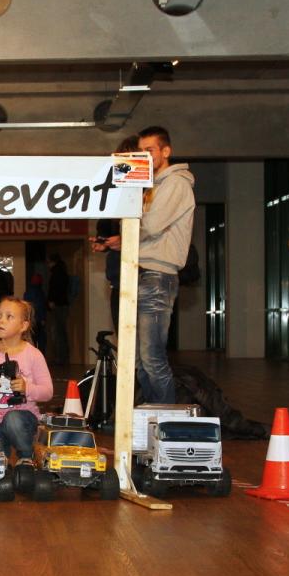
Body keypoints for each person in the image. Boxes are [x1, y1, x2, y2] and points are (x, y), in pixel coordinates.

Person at [133, 125, 195, 404]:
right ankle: (150, 415)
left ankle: (164, 416)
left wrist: (128, 231)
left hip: (158, 275)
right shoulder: (151, 186)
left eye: (150, 150)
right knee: (139, 360)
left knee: (152, 358)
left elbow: (152, 225)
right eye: (140, 151)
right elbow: (147, 227)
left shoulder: (176, 183)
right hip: (143, 272)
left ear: (166, 151)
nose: (144, 156)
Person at [0, 298, 54, 464]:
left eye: (9, 316)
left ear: (23, 326)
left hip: (23, 420)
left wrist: (27, 388)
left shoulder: (34, 355)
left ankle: (26, 455)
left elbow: (47, 392)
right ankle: (2, 461)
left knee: (13, 419)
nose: (1, 320)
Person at [92, 134, 138, 328]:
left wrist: (126, 241)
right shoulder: (117, 195)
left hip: (143, 280)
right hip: (119, 279)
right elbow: (106, 226)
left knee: (145, 342)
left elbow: (155, 232)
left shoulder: (150, 195)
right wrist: (105, 242)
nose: (123, 167)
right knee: (124, 335)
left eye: (128, 159)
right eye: (120, 161)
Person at [46, 253, 71, 365]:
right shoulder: (62, 271)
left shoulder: (56, 273)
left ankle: (60, 358)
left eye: (48, 262)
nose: (47, 264)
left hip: (58, 305)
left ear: (52, 261)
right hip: (63, 304)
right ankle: (63, 357)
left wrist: (52, 300)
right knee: (61, 332)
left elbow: (55, 289)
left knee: (58, 332)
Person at [23, 273, 48, 356]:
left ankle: (31, 356)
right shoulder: (40, 293)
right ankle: (40, 356)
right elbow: (40, 306)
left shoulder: (27, 292)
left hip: (30, 319)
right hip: (38, 320)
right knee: (41, 340)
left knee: (31, 339)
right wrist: (42, 318)